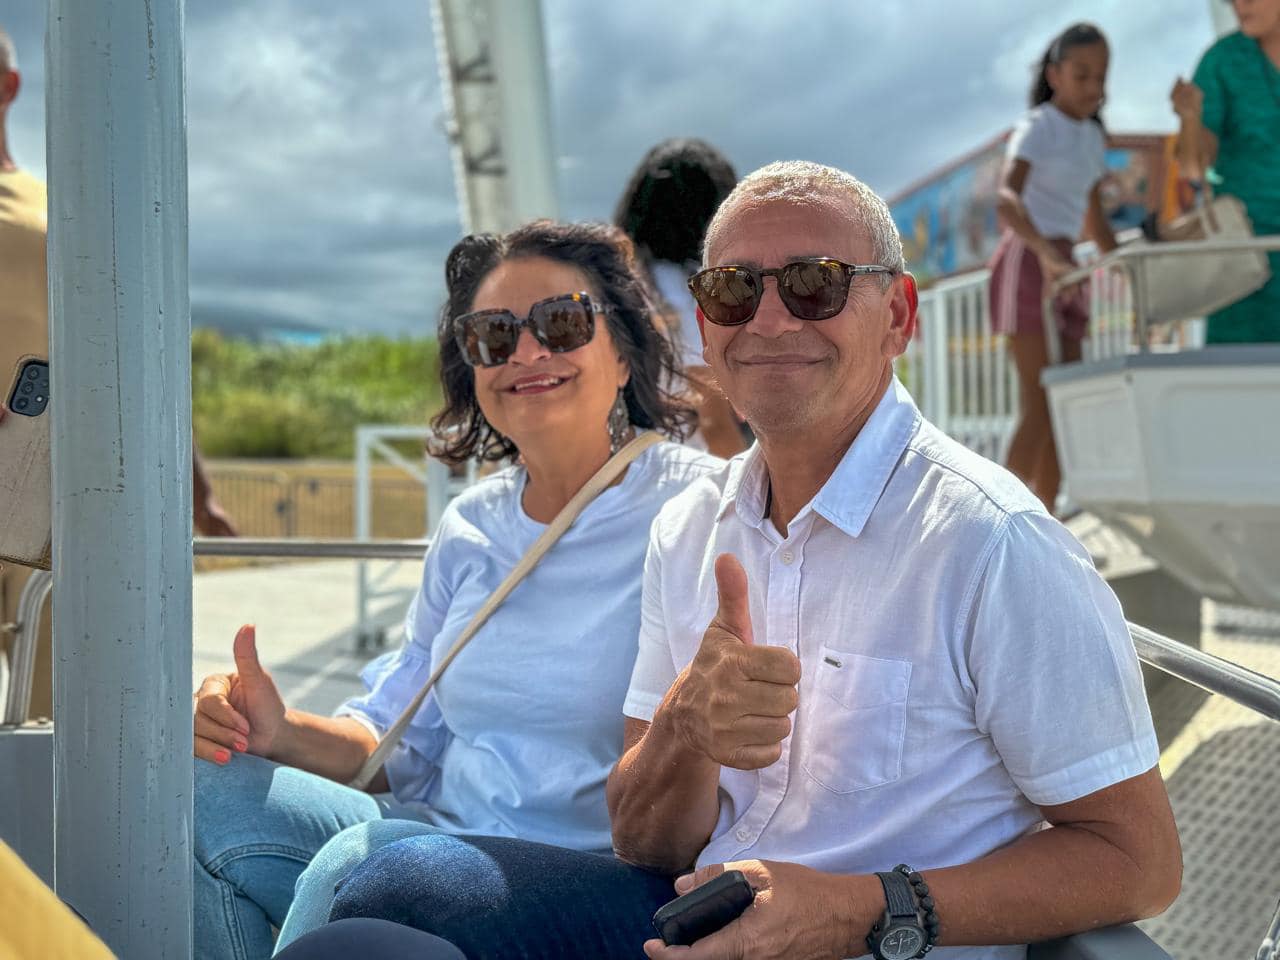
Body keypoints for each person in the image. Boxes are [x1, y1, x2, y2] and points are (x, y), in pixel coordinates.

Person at [325, 162, 1181, 960]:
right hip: (695, 918)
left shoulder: (995, 544)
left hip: (875, 942)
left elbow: (1138, 861)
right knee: (390, 889)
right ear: (706, 326)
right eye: (733, 290)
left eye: (815, 284)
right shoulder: (689, 528)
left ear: (898, 316)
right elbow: (643, 840)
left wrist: (862, 907)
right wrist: (684, 730)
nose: (769, 320)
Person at [192, 220, 720, 959]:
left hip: (592, 878)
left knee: (360, 863)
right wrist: (275, 730)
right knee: (196, 789)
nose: (527, 352)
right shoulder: (471, 523)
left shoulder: (701, 507)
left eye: (562, 322)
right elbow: (397, 737)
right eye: (492, 336)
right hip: (434, 841)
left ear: (624, 353)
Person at [0, 25, 237, 721]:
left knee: (58, 729)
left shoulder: (66, 216)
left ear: (9, 85)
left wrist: (198, 491)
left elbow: (140, 355)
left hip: (51, 505)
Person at [989, 23, 1118, 513]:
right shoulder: (1039, 126)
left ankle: (1046, 522)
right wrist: (1044, 252)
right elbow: (1007, 199)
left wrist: (1124, 267)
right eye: (1082, 75)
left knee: (1064, 404)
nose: (1093, 87)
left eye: (1100, 77)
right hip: (1030, 260)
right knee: (1039, 399)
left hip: (1067, 268)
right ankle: (994, 522)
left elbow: (1095, 220)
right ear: (1055, 75)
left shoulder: (1094, 137)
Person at [615, 137, 748, 459]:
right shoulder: (683, 291)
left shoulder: (621, 281)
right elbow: (712, 417)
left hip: (629, 463)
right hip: (690, 468)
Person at [1171, 0, 1280, 344]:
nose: (1239, 4)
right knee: (1238, 373)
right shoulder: (1221, 62)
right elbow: (1193, 167)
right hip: (1245, 269)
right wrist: (1190, 119)